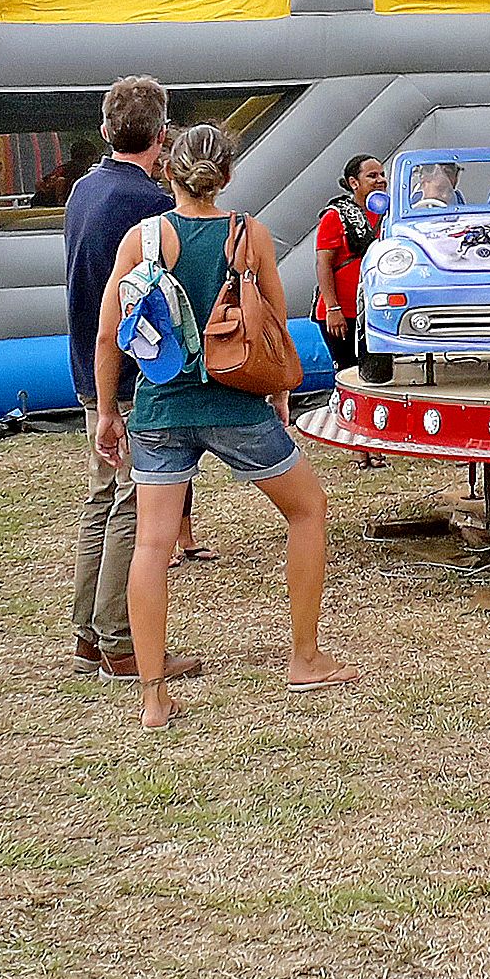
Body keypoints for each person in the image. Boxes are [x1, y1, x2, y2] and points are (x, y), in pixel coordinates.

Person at [94, 122, 353, 728]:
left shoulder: (142, 238)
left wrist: (109, 412)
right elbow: (274, 326)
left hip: (160, 408)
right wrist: (281, 394)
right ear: (228, 174)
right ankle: (305, 658)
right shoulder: (248, 234)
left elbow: (110, 333)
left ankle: (153, 697)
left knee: (152, 545)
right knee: (307, 508)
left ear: (167, 171)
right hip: (235, 403)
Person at [60, 78, 209, 682]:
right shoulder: (147, 206)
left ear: (105, 130)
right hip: (133, 374)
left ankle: (88, 635)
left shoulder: (83, 190)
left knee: (103, 500)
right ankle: (122, 641)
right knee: (131, 507)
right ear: (163, 132)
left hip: (90, 370)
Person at [310, 155, 385, 375]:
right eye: (372, 176)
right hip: (344, 312)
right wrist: (333, 309)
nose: (380, 180)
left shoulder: (390, 213)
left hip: (376, 311)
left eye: (382, 174)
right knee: (349, 373)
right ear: (354, 183)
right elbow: (323, 265)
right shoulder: (335, 216)